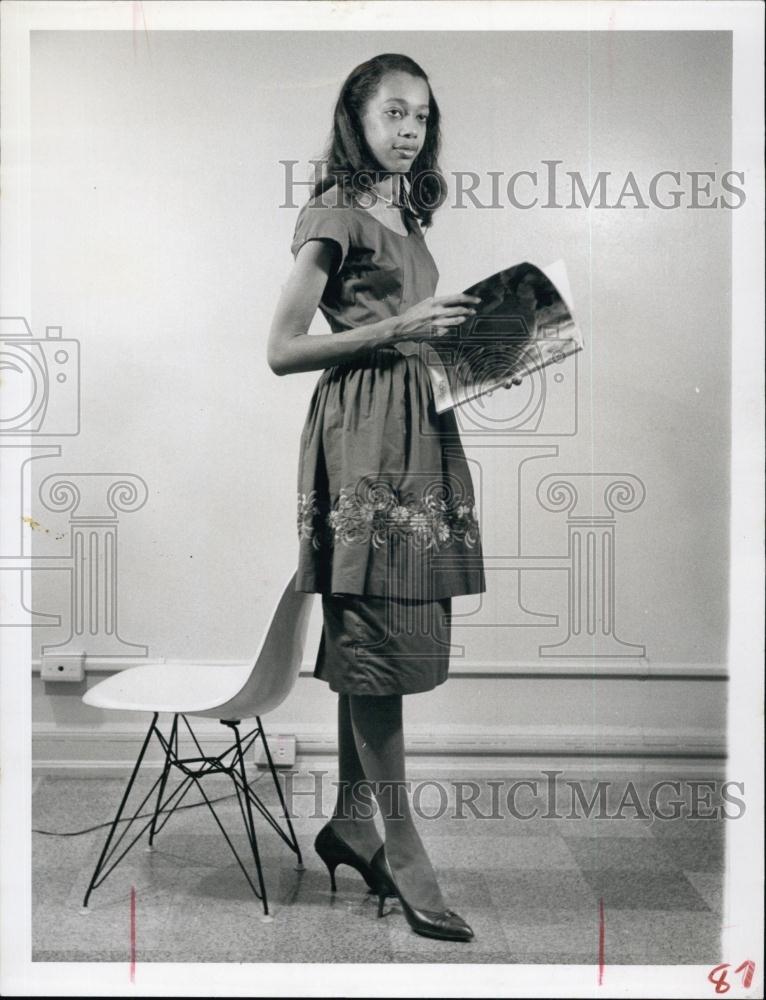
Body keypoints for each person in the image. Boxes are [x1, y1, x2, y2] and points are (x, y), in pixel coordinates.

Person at [268, 52, 518, 943]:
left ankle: (351, 823)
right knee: (378, 628)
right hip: (366, 437)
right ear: (358, 118)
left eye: (422, 117)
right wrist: (406, 326)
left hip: (416, 425)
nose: (410, 130)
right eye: (395, 113)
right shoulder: (335, 213)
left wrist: (477, 347)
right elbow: (281, 347)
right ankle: (403, 850)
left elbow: (408, 334)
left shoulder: (404, 214)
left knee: (382, 635)